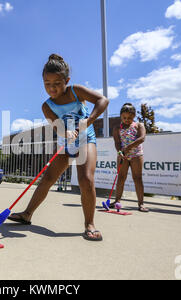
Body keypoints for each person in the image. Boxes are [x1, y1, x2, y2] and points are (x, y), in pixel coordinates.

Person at [7, 54, 109, 241]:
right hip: (66, 143)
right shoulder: (47, 106)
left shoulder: (76, 91)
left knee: (86, 179)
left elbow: (103, 101)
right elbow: (57, 127)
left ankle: (90, 224)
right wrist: (64, 133)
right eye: (47, 83)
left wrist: (89, 120)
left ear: (67, 81)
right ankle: (27, 214)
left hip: (87, 139)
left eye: (57, 83)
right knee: (47, 179)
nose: (52, 88)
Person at [112, 103, 148, 212]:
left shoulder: (138, 125)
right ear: (120, 116)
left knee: (137, 178)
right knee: (121, 177)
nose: (127, 120)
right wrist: (120, 152)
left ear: (134, 116)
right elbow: (117, 142)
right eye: (124, 118)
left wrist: (128, 147)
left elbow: (142, 138)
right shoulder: (117, 128)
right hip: (123, 156)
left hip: (136, 155)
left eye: (130, 118)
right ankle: (117, 201)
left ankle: (141, 204)